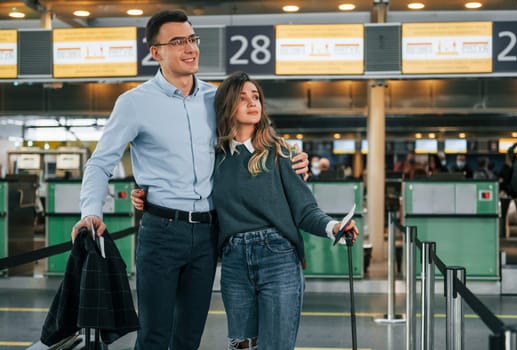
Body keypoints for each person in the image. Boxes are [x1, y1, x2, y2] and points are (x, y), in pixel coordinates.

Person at [70, 10, 309, 350]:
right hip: (161, 232)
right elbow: (100, 163)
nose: (190, 48)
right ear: (156, 52)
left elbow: (255, 140)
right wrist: (90, 211)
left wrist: (294, 159)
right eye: (178, 41)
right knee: (154, 334)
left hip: (209, 233)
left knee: (189, 336)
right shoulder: (134, 103)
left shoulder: (218, 99)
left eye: (193, 40)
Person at [133, 71, 359, 350]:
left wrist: (334, 227)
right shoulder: (213, 158)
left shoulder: (281, 153)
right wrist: (146, 195)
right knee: (242, 345)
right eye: (243, 98)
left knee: (274, 345)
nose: (253, 103)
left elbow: (305, 209)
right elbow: (185, 187)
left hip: (278, 258)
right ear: (228, 106)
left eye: (256, 97)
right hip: (233, 261)